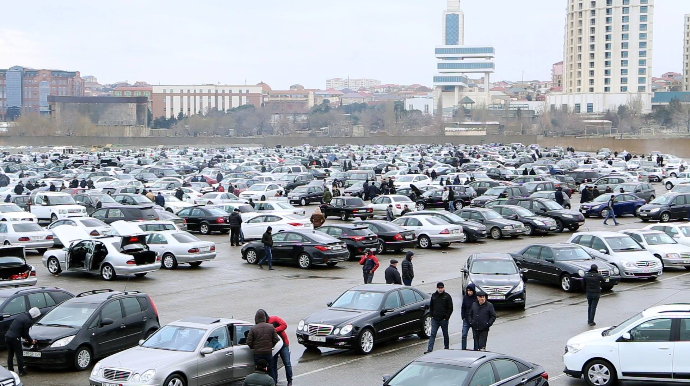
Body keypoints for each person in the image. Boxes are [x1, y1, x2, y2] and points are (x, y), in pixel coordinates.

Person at [246, 310, 280, 382]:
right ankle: (272, 383)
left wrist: (254, 347)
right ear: (264, 318)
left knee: (258, 372)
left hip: (257, 354)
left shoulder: (253, 328)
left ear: (256, 318)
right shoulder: (271, 327)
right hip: (268, 353)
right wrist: (271, 346)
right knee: (270, 370)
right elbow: (276, 339)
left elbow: (248, 342)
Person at [6, 307, 39, 375]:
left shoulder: (22, 315)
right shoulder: (28, 320)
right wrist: (31, 341)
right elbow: (25, 333)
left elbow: (20, 329)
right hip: (15, 338)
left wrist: (25, 338)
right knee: (19, 354)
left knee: (10, 354)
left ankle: (10, 370)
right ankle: (21, 371)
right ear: (34, 316)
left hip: (8, 336)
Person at [261, 311, 292, 386]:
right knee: (273, 364)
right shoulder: (263, 325)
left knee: (287, 363)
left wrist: (274, 330)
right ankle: (275, 381)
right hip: (273, 347)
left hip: (283, 344)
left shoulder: (274, 319)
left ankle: (289, 380)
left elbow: (284, 325)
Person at [425, 282, 453, 354]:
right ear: (437, 288)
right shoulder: (434, 296)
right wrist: (432, 315)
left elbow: (450, 308)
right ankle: (429, 349)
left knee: (445, 334)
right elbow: (431, 306)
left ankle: (446, 348)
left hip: (443, 320)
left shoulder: (447, 296)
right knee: (433, 334)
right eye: (439, 288)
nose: (440, 289)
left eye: (441, 288)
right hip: (435, 319)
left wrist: (446, 318)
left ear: (444, 288)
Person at [460, 284, 477, 350]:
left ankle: (476, 349)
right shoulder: (465, 297)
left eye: (470, 291)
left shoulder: (476, 298)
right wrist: (463, 316)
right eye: (468, 291)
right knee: (464, 335)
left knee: (475, 336)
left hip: (474, 320)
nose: (469, 292)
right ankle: (463, 348)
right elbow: (463, 307)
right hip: (466, 319)